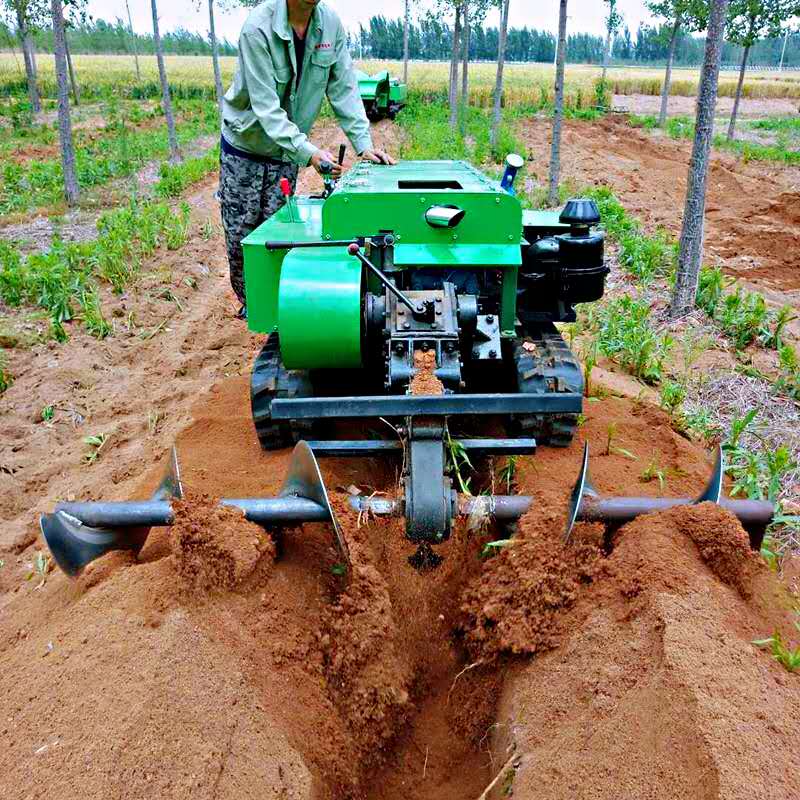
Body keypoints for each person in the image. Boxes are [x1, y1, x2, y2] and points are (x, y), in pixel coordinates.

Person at [220, 0, 396, 318]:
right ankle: (253, 304)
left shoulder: (330, 25)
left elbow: (344, 88)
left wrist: (363, 145)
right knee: (241, 237)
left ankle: (279, 311)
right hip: (246, 147)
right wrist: (310, 152)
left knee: (278, 234)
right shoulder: (257, 29)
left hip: (286, 149)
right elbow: (266, 108)